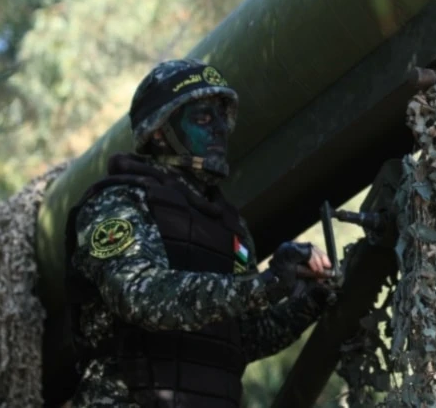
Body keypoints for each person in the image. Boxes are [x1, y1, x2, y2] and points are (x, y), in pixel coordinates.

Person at [64, 58, 336, 407]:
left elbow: (244, 338)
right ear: (160, 133)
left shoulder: (229, 226)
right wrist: (265, 284)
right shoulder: (117, 203)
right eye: (203, 119)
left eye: (223, 118)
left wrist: (308, 298)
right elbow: (140, 296)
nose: (220, 130)